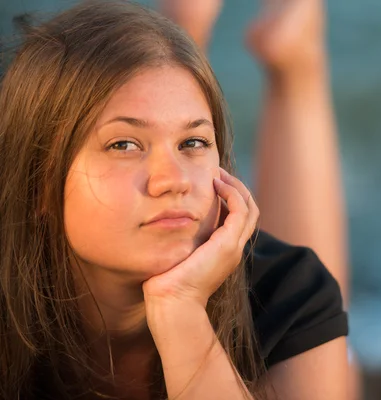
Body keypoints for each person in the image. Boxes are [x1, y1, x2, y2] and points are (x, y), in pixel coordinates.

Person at [0, 1, 348, 399]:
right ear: (40, 182)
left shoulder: (290, 291)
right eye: (124, 144)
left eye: (194, 141)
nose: (174, 181)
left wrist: (180, 309)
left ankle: (292, 61)